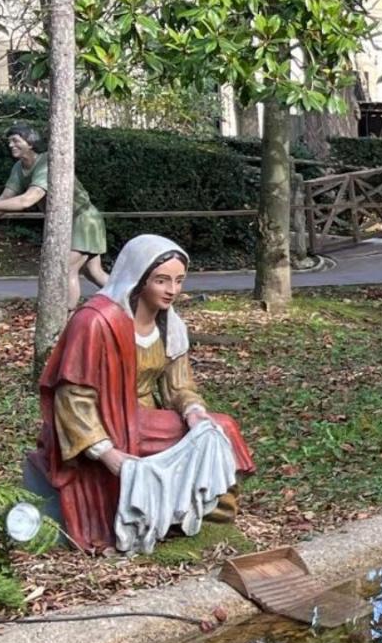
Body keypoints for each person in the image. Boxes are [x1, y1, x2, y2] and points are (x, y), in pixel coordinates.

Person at [33, 234, 254, 552]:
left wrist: (194, 412)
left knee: (218, 430)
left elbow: (179, 386)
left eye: (179, 281)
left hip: (145, 418)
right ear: (139, 279)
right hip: (107, 420)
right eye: (162, 281)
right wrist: (104, 452)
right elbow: (73, 398)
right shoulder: (95, 322)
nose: (172, 290)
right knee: (225, 429)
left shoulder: (169, 325)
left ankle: (204, 513)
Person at [0, 124, 110, 307]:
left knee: (66, 269)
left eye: (16, 140)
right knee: (94, 273)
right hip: (68, 222)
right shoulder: (18, 168)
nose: (11, 145)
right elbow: (7, 197)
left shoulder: (47, 162)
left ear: (30, 143)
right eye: (9, 141)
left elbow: (27, 200)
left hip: (83, 219)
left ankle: (65, 320)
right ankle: (129, 300)